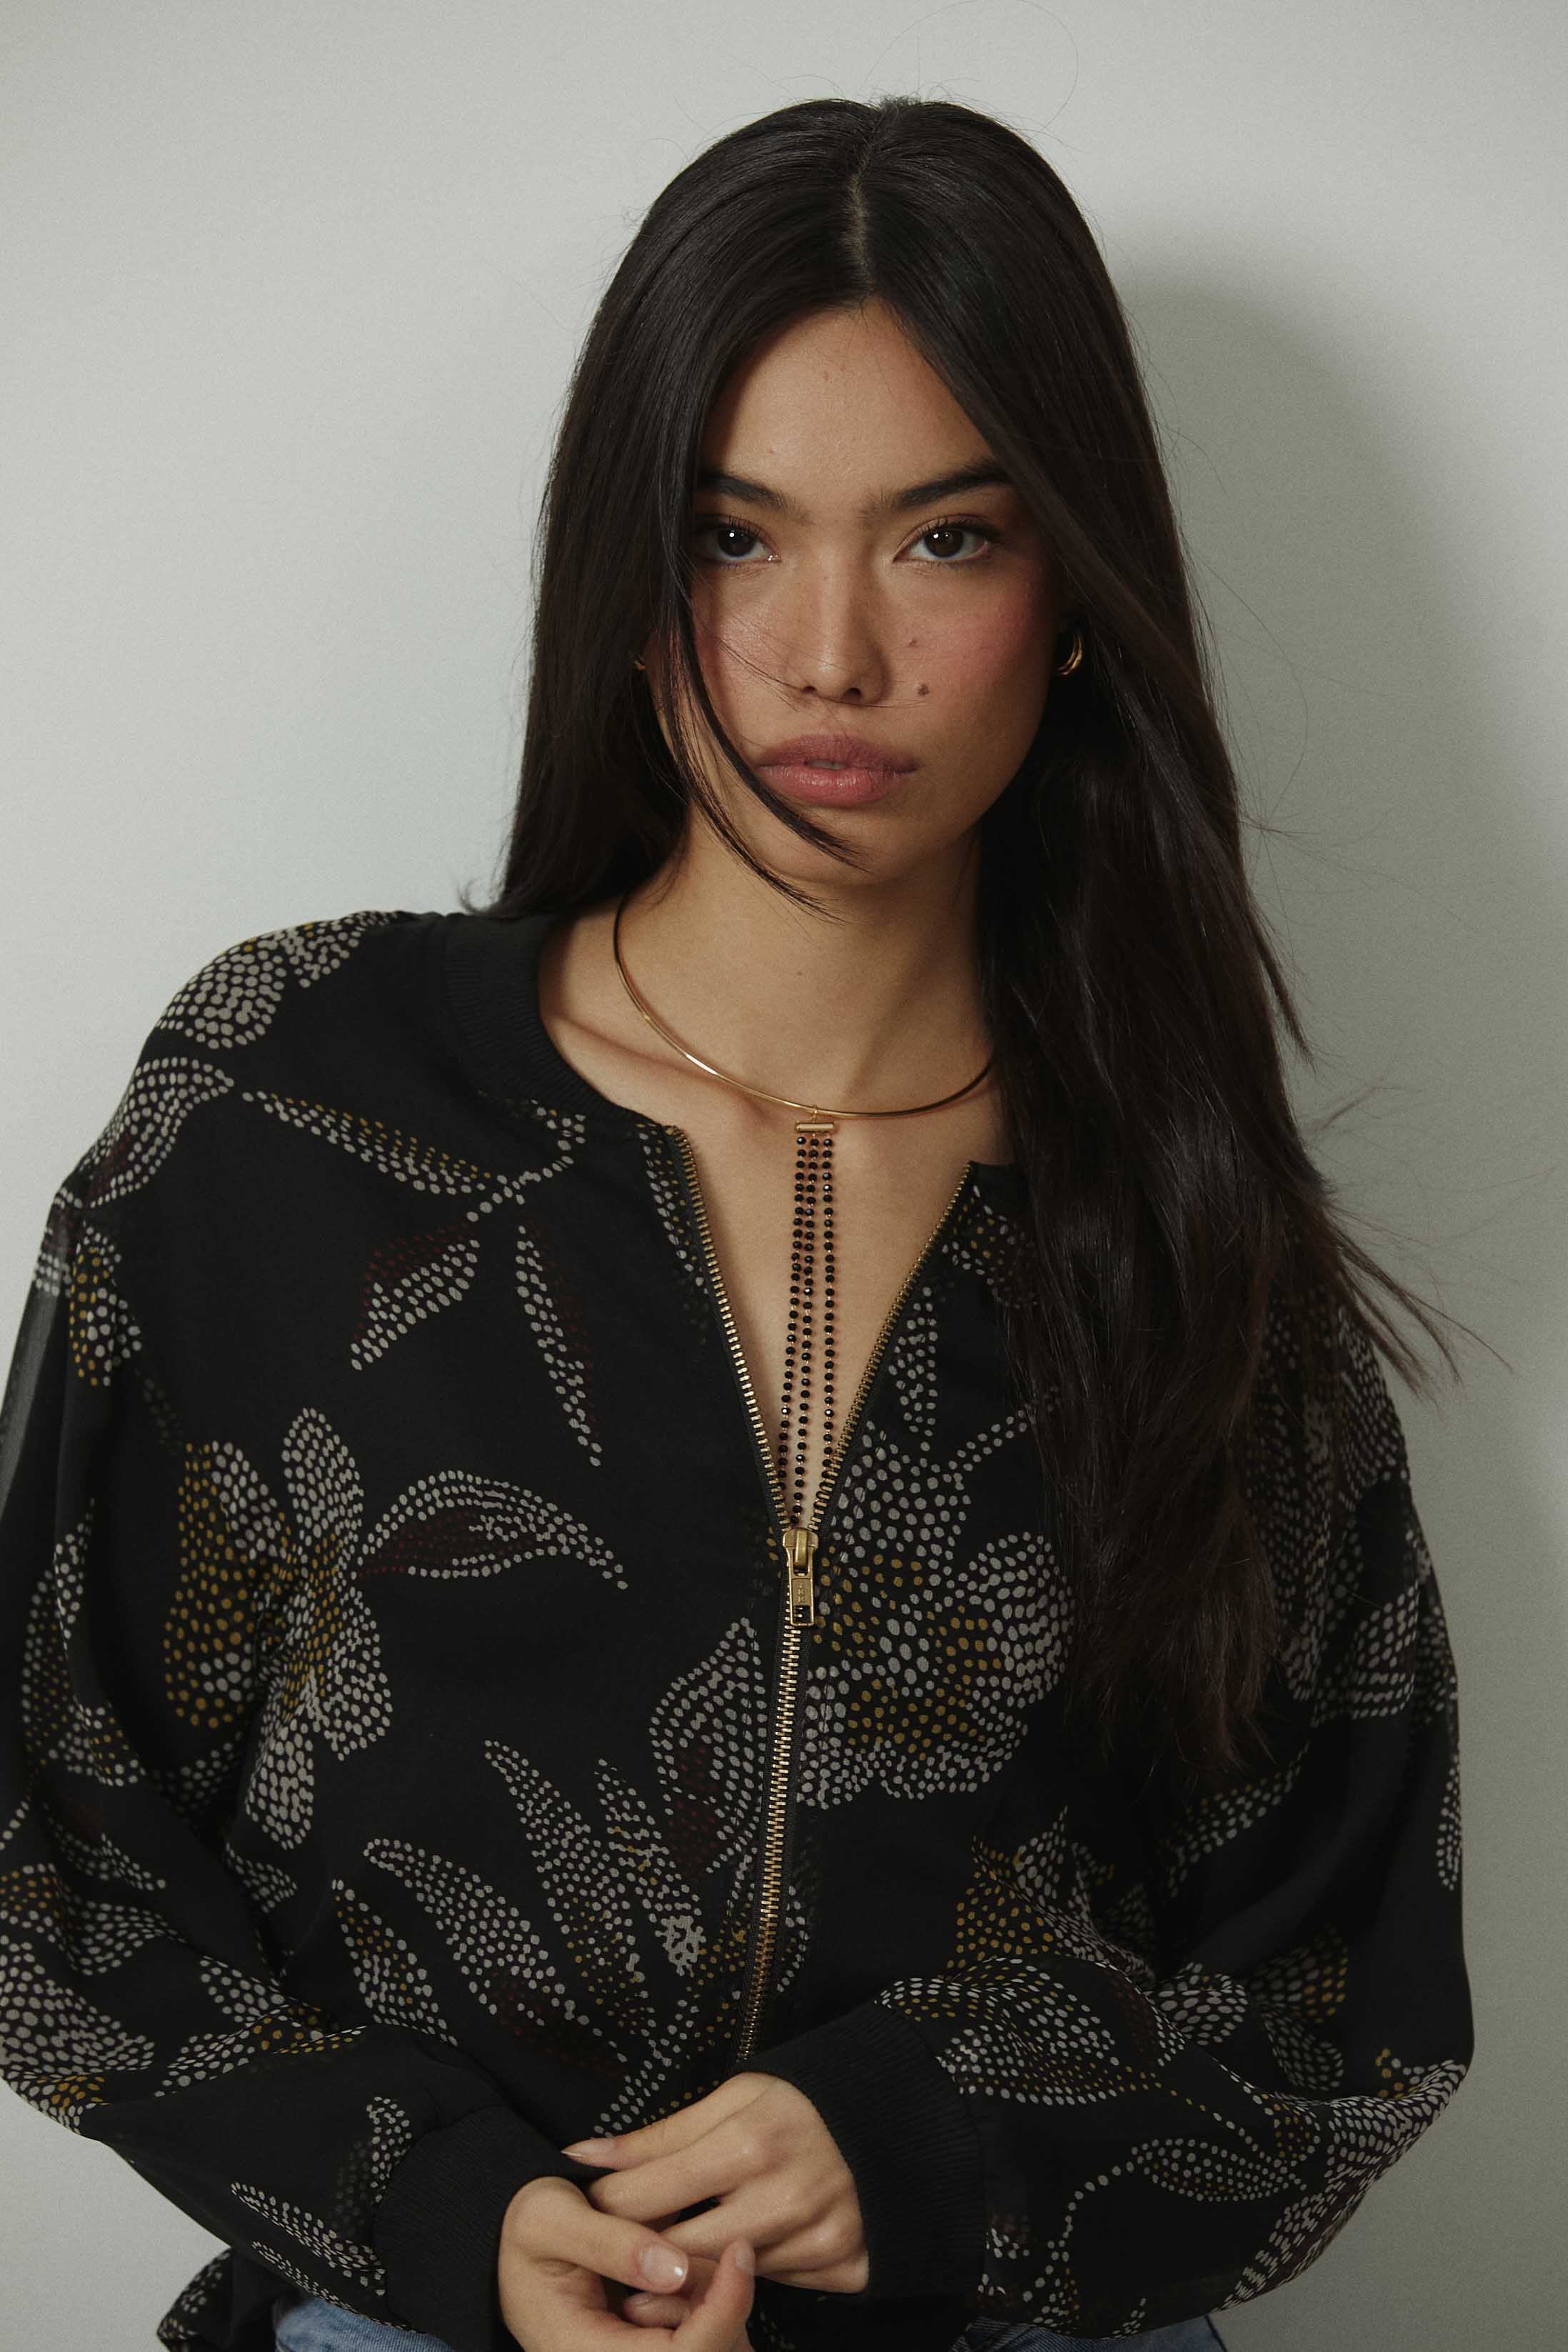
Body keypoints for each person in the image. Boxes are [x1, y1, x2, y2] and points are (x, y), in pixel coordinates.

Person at [0, 93, 1474, 2352]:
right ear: (625, 583)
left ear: (1077, 601)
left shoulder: (1189, 1243)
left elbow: (1333, 1994)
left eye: (945, 540)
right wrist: (437, 2211)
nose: (827, 656)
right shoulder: (299, 1100)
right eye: (732, 537)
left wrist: (925, 2154)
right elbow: (48, 1824)